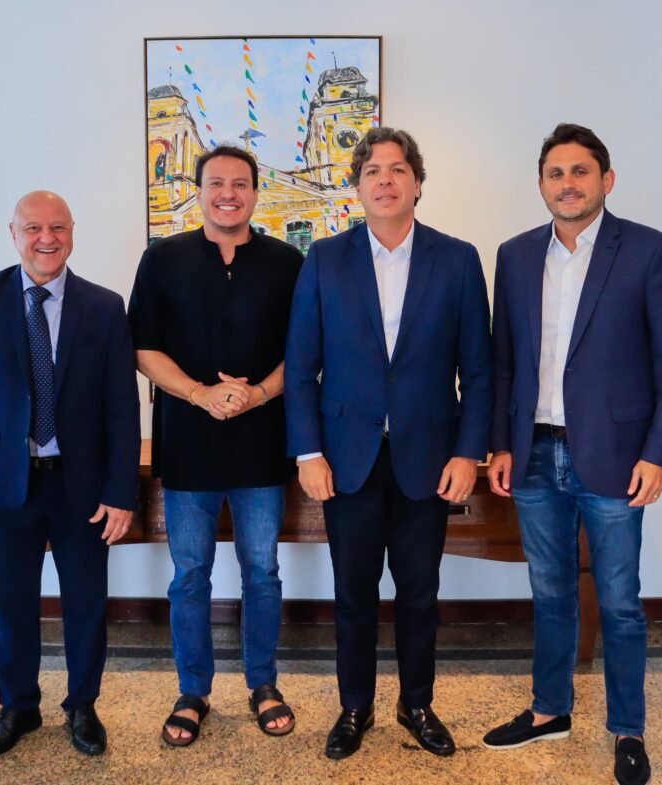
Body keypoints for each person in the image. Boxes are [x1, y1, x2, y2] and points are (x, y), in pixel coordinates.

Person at [481, 123, 662, 785]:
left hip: (616, 454)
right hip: (533, 452)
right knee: (549, 592)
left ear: (607, 179)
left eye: (580, 171)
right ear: (541, 184)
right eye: (555, 173)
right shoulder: (515, 255)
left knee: (620, 600)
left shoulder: (650, 251)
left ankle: (627, 728)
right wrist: (499, 443)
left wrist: (659, 452)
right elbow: (503, 361)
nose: (567, 183)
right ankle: (550, 709)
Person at [284, 127, 493, 759]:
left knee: (420, 593)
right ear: (357, 187)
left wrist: (468, 452)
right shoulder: (325, 259)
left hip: (429, 459)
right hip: (346, 460)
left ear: (417, 183)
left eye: (398, 169)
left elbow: (478, 370)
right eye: (372, 170)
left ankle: (416, 703)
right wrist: (308, 453)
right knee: (353, 593)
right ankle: (355, 706)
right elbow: (301, 367)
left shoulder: (457, 260)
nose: (385, 180)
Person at [0, 191, 141, 760]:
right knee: (14, 604)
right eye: (33, 228)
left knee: (86, 604)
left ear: (72, 232)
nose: (46, 238)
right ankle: (18, 706)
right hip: (9, 485)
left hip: (82, 488)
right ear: (14, 234)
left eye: (57, 228)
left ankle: (82, 705)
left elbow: (123, 407)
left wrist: (122, 491)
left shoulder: (104, 306)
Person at [128, 145, 302, 746]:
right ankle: (193, 690)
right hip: (188, 442)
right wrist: (201, 394)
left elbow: (305, 349)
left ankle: (263, 684)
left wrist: (258, 394)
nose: (229, 193)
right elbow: (143, 347)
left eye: (240, 184)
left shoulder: (287, 262)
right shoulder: (162, 258)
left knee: (262, 571)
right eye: (217, 183)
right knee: (190, 574)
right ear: (198, 190)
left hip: (261, 441)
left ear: (255, 192)